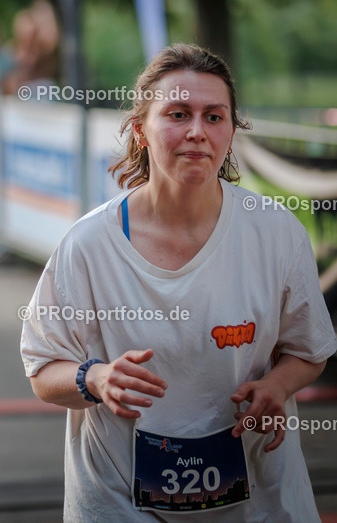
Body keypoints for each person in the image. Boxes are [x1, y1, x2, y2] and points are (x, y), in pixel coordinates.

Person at [21, 44, 336, 521]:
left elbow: (310, 350)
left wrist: (276, 384)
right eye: (177, 114)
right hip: (118, 499)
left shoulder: (275, 233)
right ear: (140, 130)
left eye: (214, 116)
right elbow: (44, 372)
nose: (197, 132)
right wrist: (96, 378)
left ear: (232, 131)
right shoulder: (88, 245)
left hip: (259, 497)